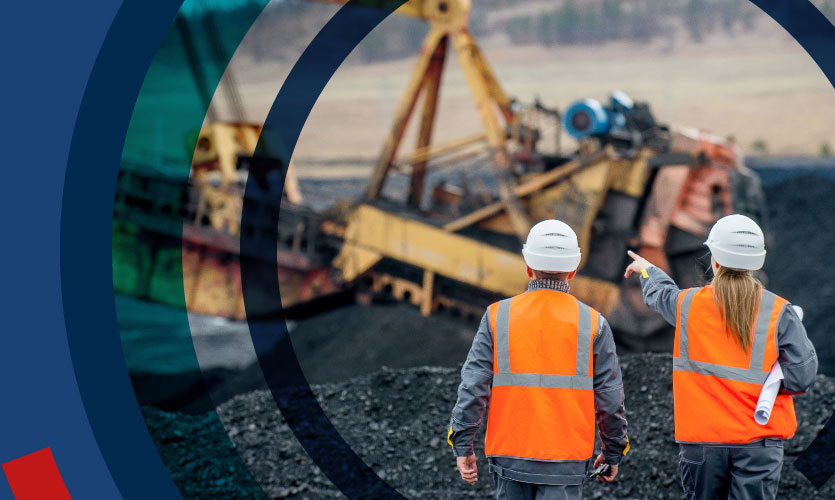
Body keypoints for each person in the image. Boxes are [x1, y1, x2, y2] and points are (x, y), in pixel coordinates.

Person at [624, 214, 817, 500]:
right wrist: (772, 380)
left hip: (703, 442)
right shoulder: (779, 311)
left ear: (714, 260)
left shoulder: (688, 305)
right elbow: (802, 376)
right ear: (757, 262)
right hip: (758, 443)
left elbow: (661, 295)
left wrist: (647, 269)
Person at [448, 220, 629, 500]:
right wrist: (612, 451)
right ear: (573, 270)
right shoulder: (593, 323)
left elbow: (473, 386)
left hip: (510, 458)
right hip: (566, 462)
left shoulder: (498, 316)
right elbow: (610, 398)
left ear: (528, 267)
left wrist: (463, 444)